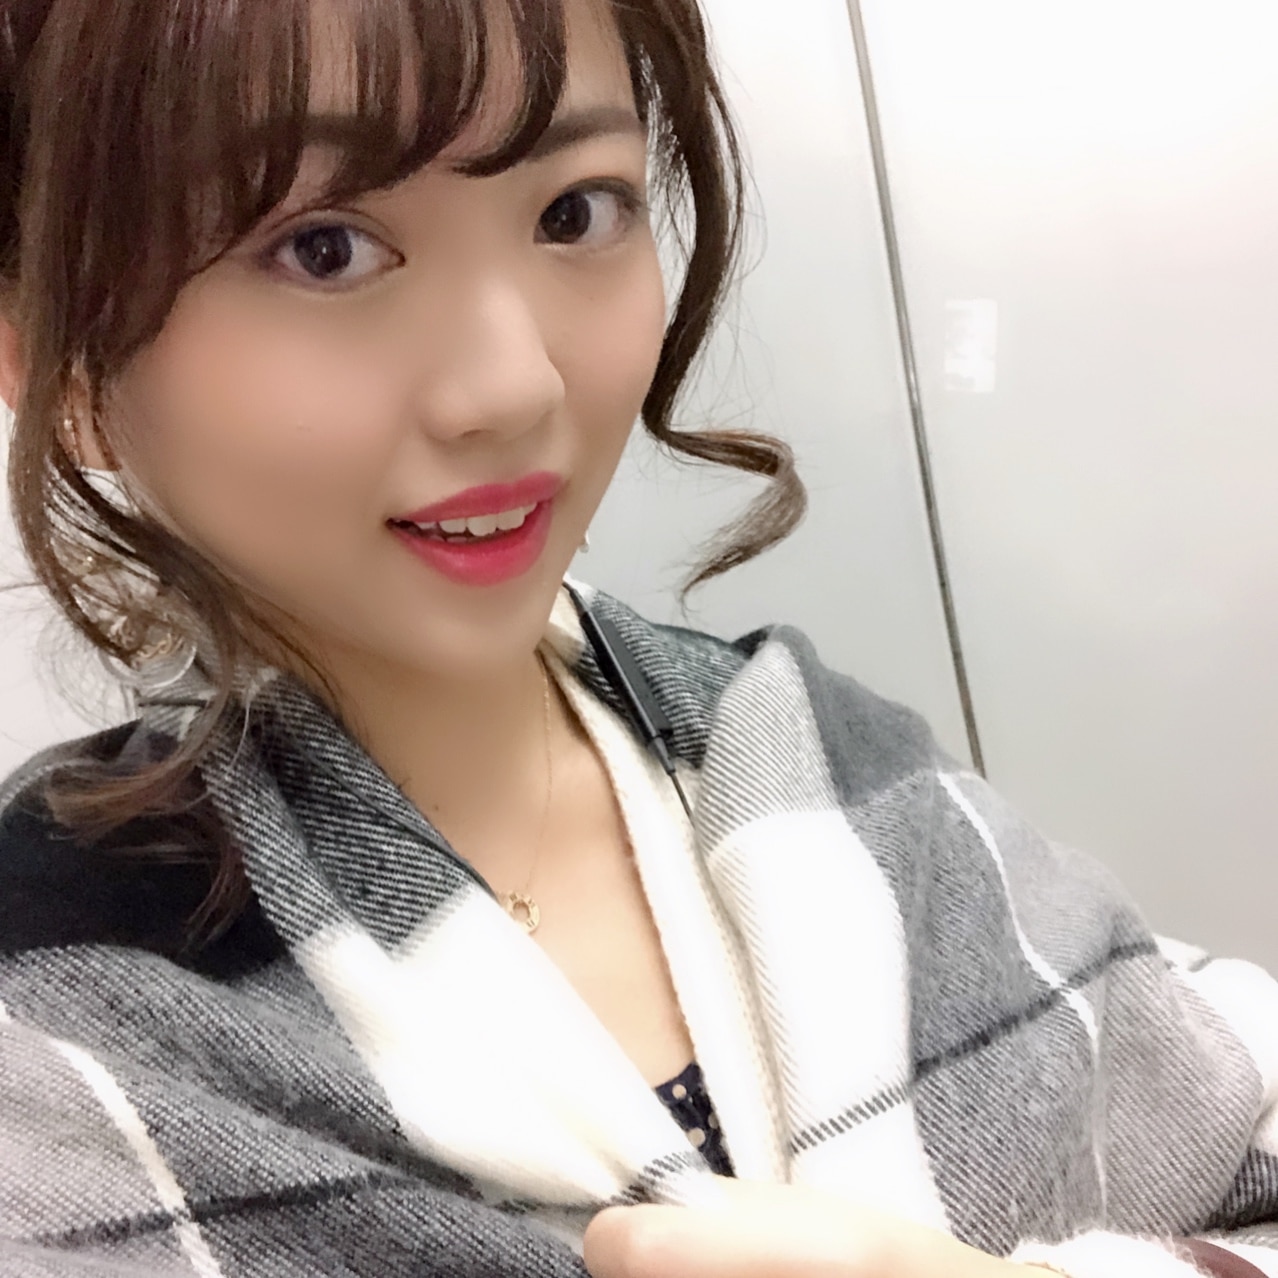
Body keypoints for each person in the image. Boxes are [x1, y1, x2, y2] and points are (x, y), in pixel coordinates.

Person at [1, 0, 1276, 1275]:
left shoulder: (838, 770)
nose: (517, 386)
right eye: (323, 247)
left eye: (575, 212)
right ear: (54, 362)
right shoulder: (53, 1024)